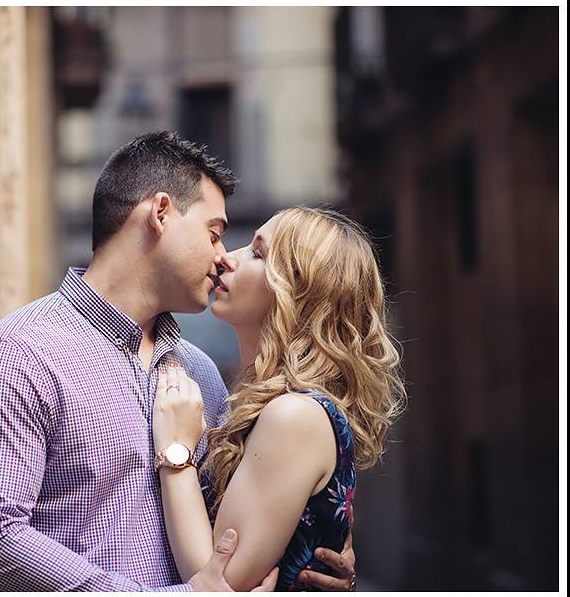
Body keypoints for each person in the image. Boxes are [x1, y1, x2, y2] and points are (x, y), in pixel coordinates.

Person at [0, 132, 356, 590]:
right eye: (215, 234)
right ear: (161, 214)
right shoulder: (17, 353)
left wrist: (305, 545)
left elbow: (232, 537)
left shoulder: (202, 373)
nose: (224, 258)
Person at [151, 207, 406, 591]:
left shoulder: (294, 415)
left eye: (257, 253)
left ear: (297, 290)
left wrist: (175, 452)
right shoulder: (265, 405)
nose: (226, 258)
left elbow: (215, 581)